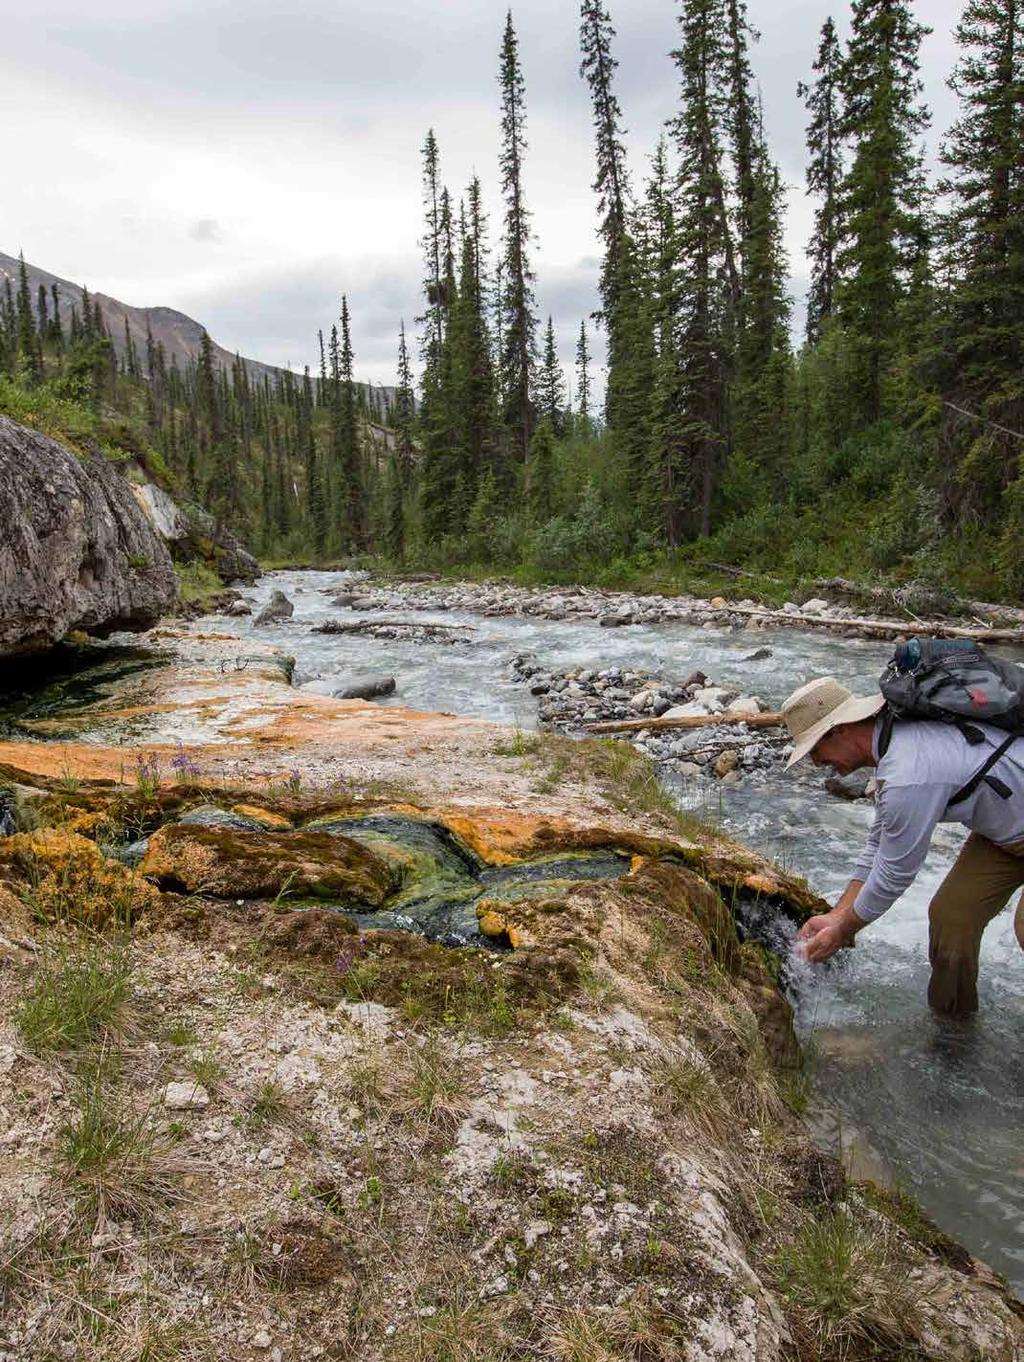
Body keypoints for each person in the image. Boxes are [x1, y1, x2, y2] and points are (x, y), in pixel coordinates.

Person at [781, 676, 1024, 1015]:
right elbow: (877, 845)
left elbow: (895, 871)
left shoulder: (908, 771)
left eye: (815, 750)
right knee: (951, 918)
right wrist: (836, 916)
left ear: (839, 730)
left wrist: (844, 930)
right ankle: (953, 1033)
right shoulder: (893, 746)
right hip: (1006, 834)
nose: (817, 764)